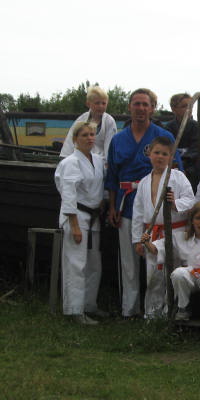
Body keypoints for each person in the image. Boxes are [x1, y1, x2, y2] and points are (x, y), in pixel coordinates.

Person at [106, 88, 182, 318]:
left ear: (152, 108)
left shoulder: (164, 136)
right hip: (126, 205)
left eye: (145, 104)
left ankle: (160, 310)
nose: (140, 108)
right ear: (129, 107)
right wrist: (112, 206)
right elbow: (112, 177)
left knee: (158, 260)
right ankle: (129, 309)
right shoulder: (118, 139)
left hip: (156, 207)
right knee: (128, 261)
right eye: (136, 104)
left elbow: (175, 169)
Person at [132, 136, 195, 319]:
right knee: (153, 275)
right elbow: (138, 213)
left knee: (173, 273)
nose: (160, 157)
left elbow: (191, 200)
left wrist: (175, 203)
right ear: (149, 154)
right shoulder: (144, 182)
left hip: (175, 232)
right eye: (157, 152)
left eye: (164, 154)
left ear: (171, 157)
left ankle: (172, 312)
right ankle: (152, 314)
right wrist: (138, 239)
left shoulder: (178, 177)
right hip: (152, 234)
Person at [54, 122, 105, 325]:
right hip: (76, 217)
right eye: (84, 135)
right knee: (76, 264)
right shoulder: (70, 162)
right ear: (75, 139)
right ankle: (74, 310)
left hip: (94, 218)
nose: (90, 138)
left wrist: (104, 203)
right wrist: (74, 226)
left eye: (92, 134)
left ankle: (89, 305)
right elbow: (68, 195)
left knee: (94, 265)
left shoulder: (98, 160)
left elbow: (100, 188)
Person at [60, 86, 117, 162]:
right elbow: (71, 140)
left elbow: (110, 145)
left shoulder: (109, 121)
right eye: (97, 103)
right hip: (80, 159)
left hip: (101, 161)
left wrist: (108, 162)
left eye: (104, 103)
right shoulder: (81, 120)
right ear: (88, 104)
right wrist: (65, 158)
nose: (101, 106)